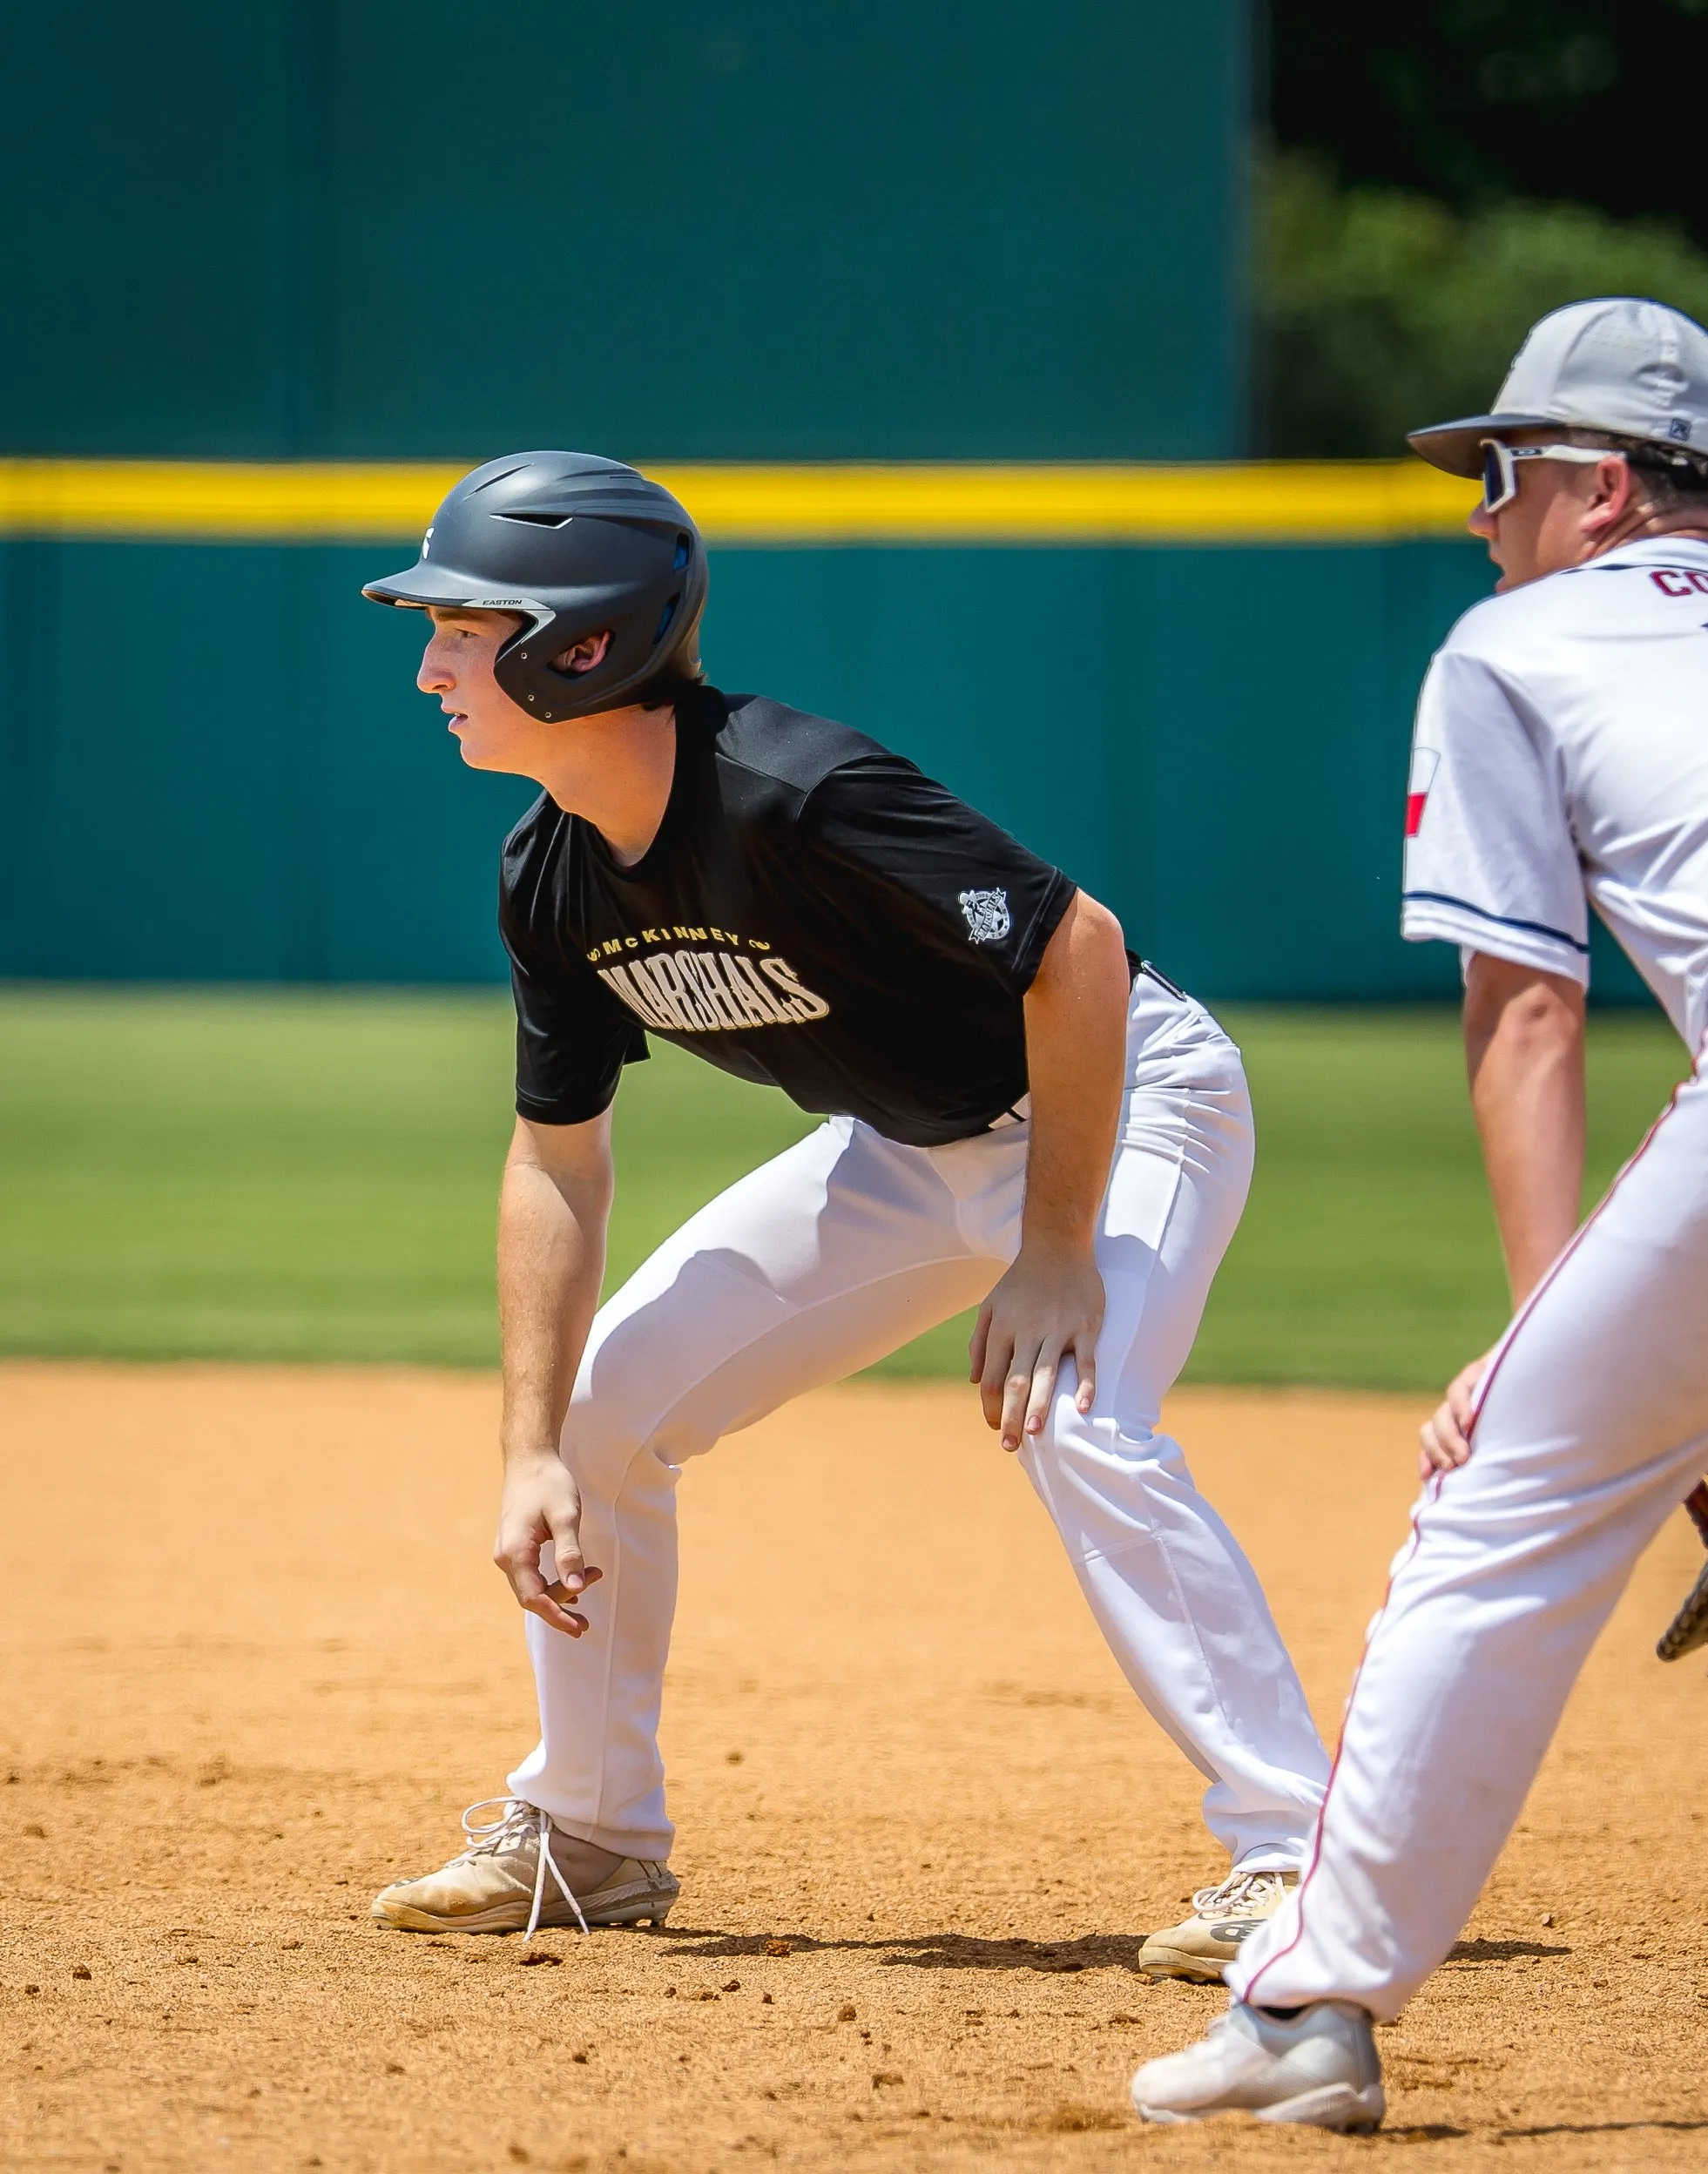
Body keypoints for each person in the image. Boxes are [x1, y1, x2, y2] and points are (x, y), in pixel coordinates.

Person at [357, 450, 1328, 1948]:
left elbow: (1082, 953)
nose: (428, 664)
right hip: (904, 1145)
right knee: (607, 1409)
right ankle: (593, 1835)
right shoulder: (546, 874)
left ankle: (1301, 1858)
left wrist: (1058, 1247)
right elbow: (557, 1157)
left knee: (1077, 1413)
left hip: (1125, 1100)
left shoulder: (792, 791)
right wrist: (529, 1446)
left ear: (584, 641)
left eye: (463, 627)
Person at [1130, 295, 1708, 2132]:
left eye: (1501, 472)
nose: (1478, 513)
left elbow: (1525, 1011)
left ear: (1600, 488)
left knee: (1501, 1504)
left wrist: (1545, 1352)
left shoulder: (1512, 644)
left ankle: (1309, 2005)